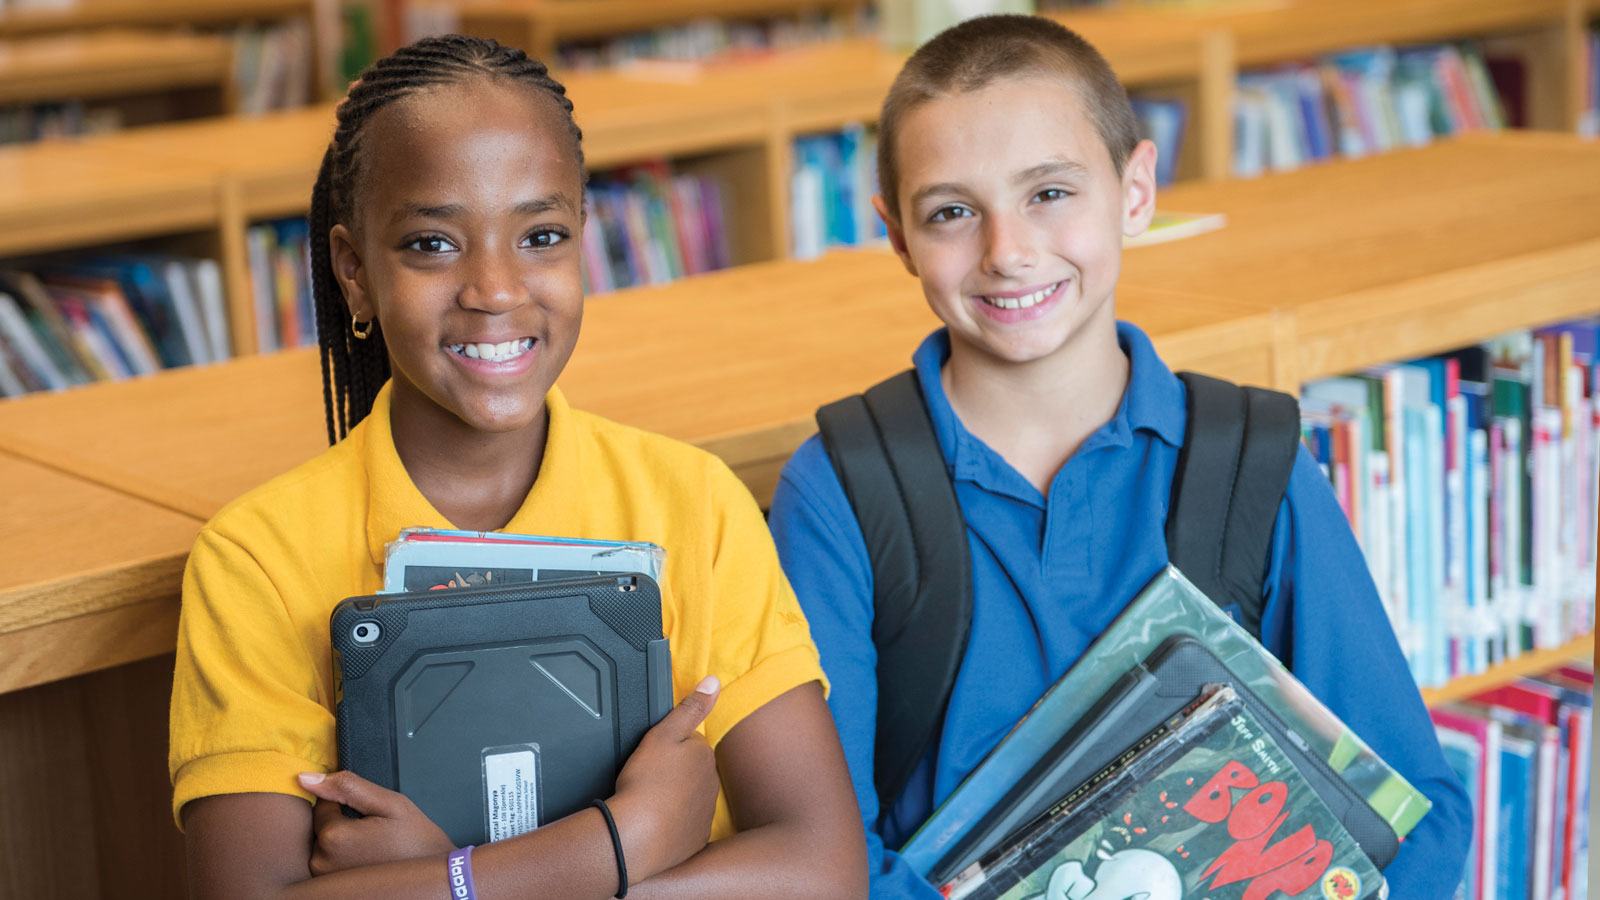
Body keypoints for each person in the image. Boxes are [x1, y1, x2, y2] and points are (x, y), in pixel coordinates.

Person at [766, 15, 1471, 899]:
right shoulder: (839, 492)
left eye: (1049, 193)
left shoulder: (1251, 461)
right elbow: (824, 858)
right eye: (952, 212)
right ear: (898, 237)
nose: (1008, 251)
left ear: (1136, 191)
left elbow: (1416, 813)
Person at [169, 35, 866, 900]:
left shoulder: (694, 506)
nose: (495, 289)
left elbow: (824, 869)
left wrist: (449, 881)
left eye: (541, 235)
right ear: (353, 273)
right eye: (431, 244)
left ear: (584, 243)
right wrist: (627, 841)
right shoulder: (260, 560)